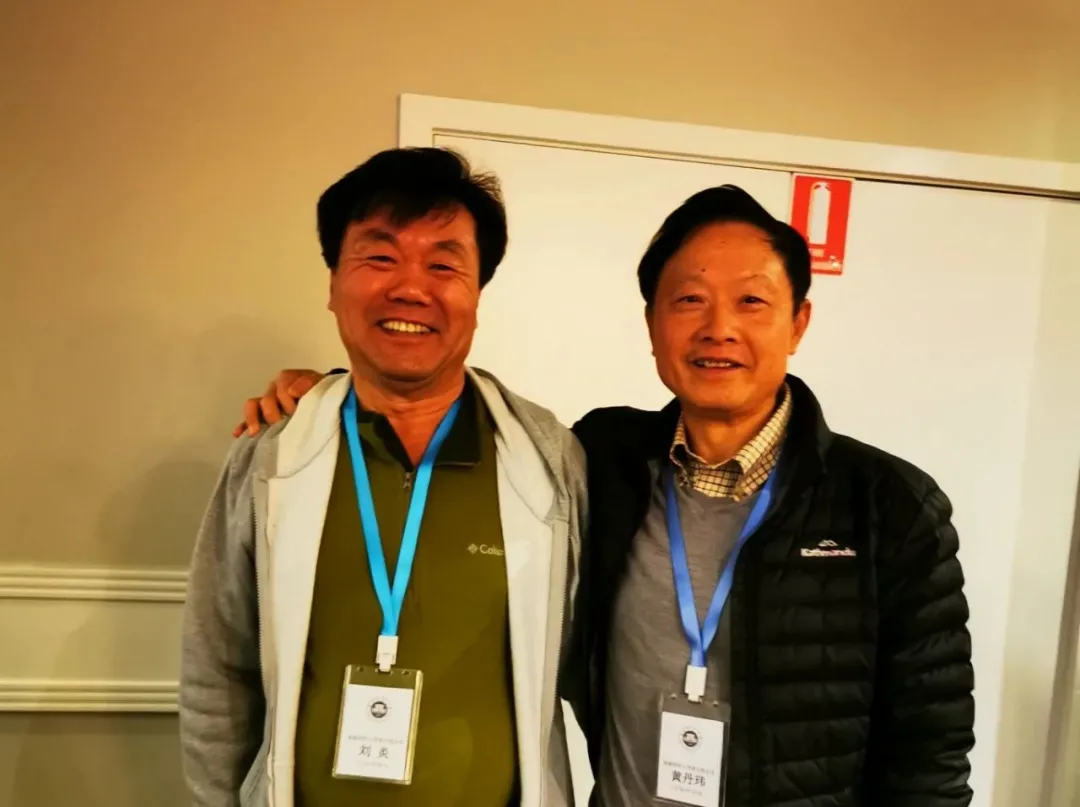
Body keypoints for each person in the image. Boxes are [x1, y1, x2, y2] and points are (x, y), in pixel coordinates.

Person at [239, 184, 975, 806]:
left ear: (798, 323)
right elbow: (438, 406)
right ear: (652, 324)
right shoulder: (601, 459)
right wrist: (330, 397)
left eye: (752, 301)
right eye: (688, 300)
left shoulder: (889, 507)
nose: (718, 328)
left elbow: (930, 755)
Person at [179, 147, 586, 807]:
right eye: (379, 256)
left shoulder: (551, 458)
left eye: (444, 264)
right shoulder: (272, 454)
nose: (410, 288)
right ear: (333, 283)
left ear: (477, 294)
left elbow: (601, 661)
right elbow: (216, 672)